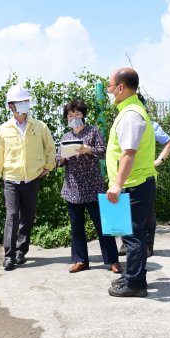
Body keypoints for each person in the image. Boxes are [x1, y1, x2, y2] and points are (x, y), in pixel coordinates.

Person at [0, 84, 56, 271]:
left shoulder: (40, 126)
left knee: (28, 216)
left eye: (26, 101)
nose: (24, 104)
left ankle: (21, 251)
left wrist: (48, 167)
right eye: (20, 102)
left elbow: (50, 148)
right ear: (11, 106)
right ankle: (8, 255)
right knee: (12, 215)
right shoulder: (3, 129)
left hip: (32, 178)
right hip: (10, 178)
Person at [105, 68, 157, 297]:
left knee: (133, 235)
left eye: (109, 86)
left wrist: (117, 184)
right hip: (132, 182)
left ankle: (135, 285)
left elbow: (128, 153)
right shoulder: (128, 111)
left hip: (134, 184)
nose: (108, 91)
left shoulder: (131, 115)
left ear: (121, 87)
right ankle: (132, 276)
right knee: (128, 232)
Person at [56, 100, 121, 273]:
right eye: (70, 116)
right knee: (76, 226)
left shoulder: (93, 131)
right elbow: (58, 161)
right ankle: (80, 260)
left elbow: (103, 152)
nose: (74, 118)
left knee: (102, 226)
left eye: (77, 114)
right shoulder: (65, 138)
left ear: (83, 115)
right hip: (73, 188)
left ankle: (112, 260)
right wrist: (62, 157)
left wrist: (88, 149)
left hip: (93, 186)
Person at [118, 112, 170, 258]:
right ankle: (126, 243)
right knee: (124, 211)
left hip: (144, 177)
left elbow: (169, 142)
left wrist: (159, 160)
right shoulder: (122, 123)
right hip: (125, 176)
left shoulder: (150, 125)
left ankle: (148, 245)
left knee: (147, 214)